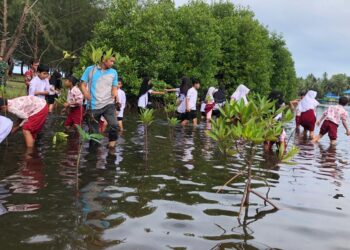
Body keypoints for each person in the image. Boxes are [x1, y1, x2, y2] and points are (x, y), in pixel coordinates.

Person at [80, 51, 119, 148]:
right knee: (94, 133)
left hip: (108, 104)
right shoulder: (90, 69)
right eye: (111, 61)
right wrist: (85, 93)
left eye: (114, 62)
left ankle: (111, 146)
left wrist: (115, 96)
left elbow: (114, 87)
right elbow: (83, 84)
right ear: (103, 59)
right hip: (93, 105)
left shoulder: (114, 72)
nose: (112, 63)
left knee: (114, 125)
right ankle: (93, 155)